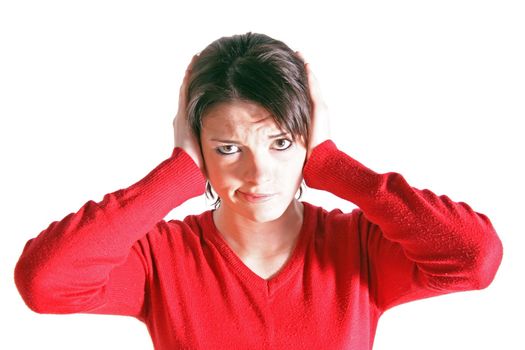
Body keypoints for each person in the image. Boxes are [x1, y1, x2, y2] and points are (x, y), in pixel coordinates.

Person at [14, 32, 503, 349]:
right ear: (197, 144)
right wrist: (178, 173)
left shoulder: (360, 250)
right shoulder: (160, 258)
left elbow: (473, 256)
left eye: (281, 142)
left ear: (308, 137)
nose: (260, 174)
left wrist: (332, 165)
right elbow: (45, 282)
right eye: (228, 148)